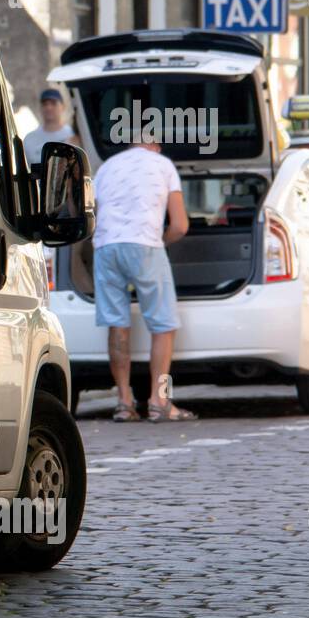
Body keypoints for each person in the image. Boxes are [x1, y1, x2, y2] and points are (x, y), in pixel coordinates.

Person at [92, 128, 195, 423]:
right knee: (163, 324)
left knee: (117, 323)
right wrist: (161, 239)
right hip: (145, 245)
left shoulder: (107, 167)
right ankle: (160, 399)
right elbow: (180, 226)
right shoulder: (163, 165)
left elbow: (94, 213)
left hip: (105, 247)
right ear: (156, 144)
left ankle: (124, 401)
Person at [22, 89, 74, 168]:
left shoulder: (73, 135)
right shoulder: (29, 139)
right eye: (45, 104)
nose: (49, 107)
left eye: (53, 103)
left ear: (63, 106)